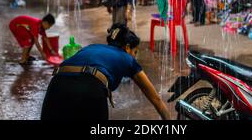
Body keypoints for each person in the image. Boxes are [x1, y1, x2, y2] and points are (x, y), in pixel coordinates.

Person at [41, 23, 171, 120]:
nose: (135, 56)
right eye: (135, 52)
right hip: (89, 88)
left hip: (56, 85)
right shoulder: (127, 59)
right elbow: (156, 99)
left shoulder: (92, 47)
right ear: (127, 47)